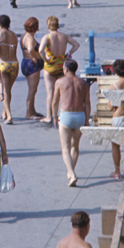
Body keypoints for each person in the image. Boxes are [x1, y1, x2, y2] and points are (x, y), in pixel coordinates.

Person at [50, 59, 90, 187]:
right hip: (79, 116)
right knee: (75, 147)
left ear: (66, 69)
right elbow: (87, 103)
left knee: (65, 148)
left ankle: (71, 174)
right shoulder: (83, 83)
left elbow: (55, 102)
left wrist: (54, 116)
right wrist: (87, 119)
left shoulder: (60, 82)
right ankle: (71, 171)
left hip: (65, 116)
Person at [38, 16, 79, 125]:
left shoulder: (47, 37)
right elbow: (76, 45)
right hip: (61, 65)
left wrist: (45, 59)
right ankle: (61, 114)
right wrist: (68, 55)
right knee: (61, 92)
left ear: (48, 25)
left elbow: (41, 50)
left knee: (50, 93)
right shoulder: (64, 36)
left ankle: (49, 116)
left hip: (50, 66)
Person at [0, 14, 20, 123]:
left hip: (2, 63)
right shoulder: (13, 35)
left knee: (4, 91)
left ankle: (9, 115)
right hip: (14, 63)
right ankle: (5, 111)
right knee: (8, 90)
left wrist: (0, 50)